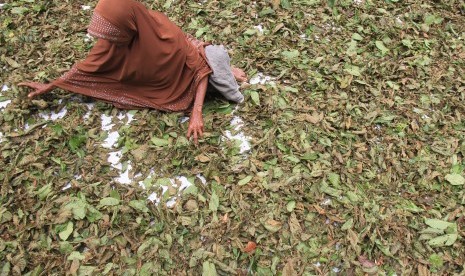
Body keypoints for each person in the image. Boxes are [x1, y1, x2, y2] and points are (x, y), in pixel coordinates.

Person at [19, 0, 247, 144]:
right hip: (160, 78)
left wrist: (197, 113)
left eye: (112, 35)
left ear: (129, 27)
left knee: (213, 63)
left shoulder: (166, 35)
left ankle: (226, 71)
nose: (106, 41)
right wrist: (53, 85)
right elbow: (87, 67)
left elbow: (199, 71)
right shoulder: (115, 41)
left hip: (184, 75)